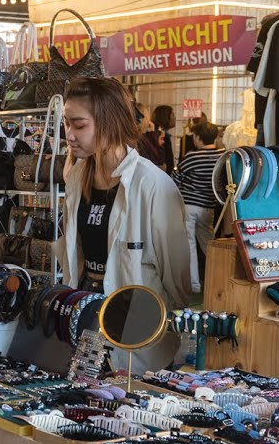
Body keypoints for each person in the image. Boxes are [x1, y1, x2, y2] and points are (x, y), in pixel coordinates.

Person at [55, 78, 190, 368]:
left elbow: (177, 277)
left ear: (109, 123)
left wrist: (167, 326)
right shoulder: (77, 177)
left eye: (79, 125)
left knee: (127, 391)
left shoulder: (152, 184)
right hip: (87, 313)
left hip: (137, 323)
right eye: (66, 124)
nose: (70, 135)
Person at [173, 121, 224, 293]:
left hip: (188, 206)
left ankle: (194, 285)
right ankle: (219, 279)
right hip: (209, 207)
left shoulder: (191, 157)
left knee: (189, 245)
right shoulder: (222, 156)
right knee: (209, 245)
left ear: (198, 138)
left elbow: (175, 180)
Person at [137, 105, 176, 175]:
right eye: (172, 114)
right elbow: (164, 160)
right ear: (164, 116)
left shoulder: (155, 132)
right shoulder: (158, 134)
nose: (175, 118)